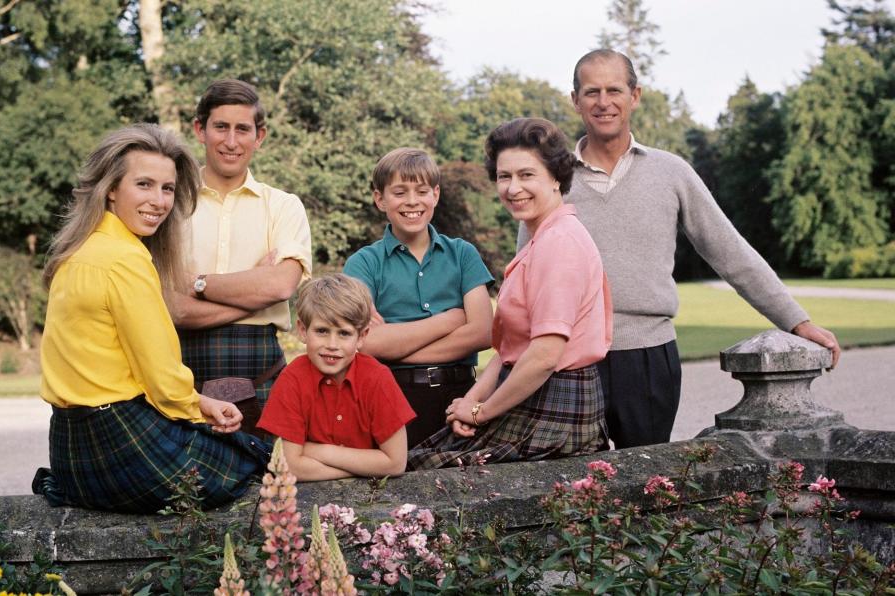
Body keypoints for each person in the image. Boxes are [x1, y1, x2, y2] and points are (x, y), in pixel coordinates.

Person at [518, 49, 842, 449]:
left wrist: (797, 321)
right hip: (569, 360)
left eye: (614, 90)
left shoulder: (671, 172)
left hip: (649, 356)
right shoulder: (553, 179)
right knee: (572, 490)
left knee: (647, 484)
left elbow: (730, 252)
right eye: (592, 92)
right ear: (575, 100)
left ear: (635, 96)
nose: (604, 102)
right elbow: (526, 278)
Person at [33, 124, 269, 513]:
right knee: (255, 459)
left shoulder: (78, 251)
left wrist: (197, 405)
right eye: (144, 184)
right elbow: (163, 381)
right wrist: (199, 406)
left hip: (70, 450)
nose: (159, 201)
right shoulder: (125, 259)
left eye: (167, 188)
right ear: (111, 188)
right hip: (121, 444)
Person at [408, 118, 612, 470]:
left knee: (422, 473)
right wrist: (469, 404)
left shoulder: (560, 242)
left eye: (526, 175)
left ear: (556, 178)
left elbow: (544, 356)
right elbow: (509, 352)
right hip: (529, 394)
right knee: (418, 466)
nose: (513, 188)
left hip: (556, 404)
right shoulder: (542, 239)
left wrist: (481, 411)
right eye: (505, 177)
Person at [166, 79, 312, 430]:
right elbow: (172, 308)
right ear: (200, 130)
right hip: (182, 371)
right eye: (221, 127)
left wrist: (196, 283)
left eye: (242, 129)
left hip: (263, 370)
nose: (231, 142)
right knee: (187, 485)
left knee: (272, 481)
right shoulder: (169, 204)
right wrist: (252, 293)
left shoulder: (284, 206)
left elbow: (280, 288)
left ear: (259, 136)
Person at [343, 148, 494, 447]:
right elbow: (365, 342)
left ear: (435, 195)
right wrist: (451, 319)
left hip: (459, 396)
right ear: (380, 199)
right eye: (399, 192)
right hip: (391, 396)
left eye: (421, 191)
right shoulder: (362, 264)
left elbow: (484, 332)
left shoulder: (462, 254)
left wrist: (394, 349)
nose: (412, 201)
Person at [256, 274, 416, 481]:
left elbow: (395, 463)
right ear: (303, 331)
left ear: (362, 336)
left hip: (374, 496)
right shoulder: (292, 379)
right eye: (322, 331)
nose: (332, 344)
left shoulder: (377, 378)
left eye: (344, 333)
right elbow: (289, 466)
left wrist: (319, 452)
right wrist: (363, 469)